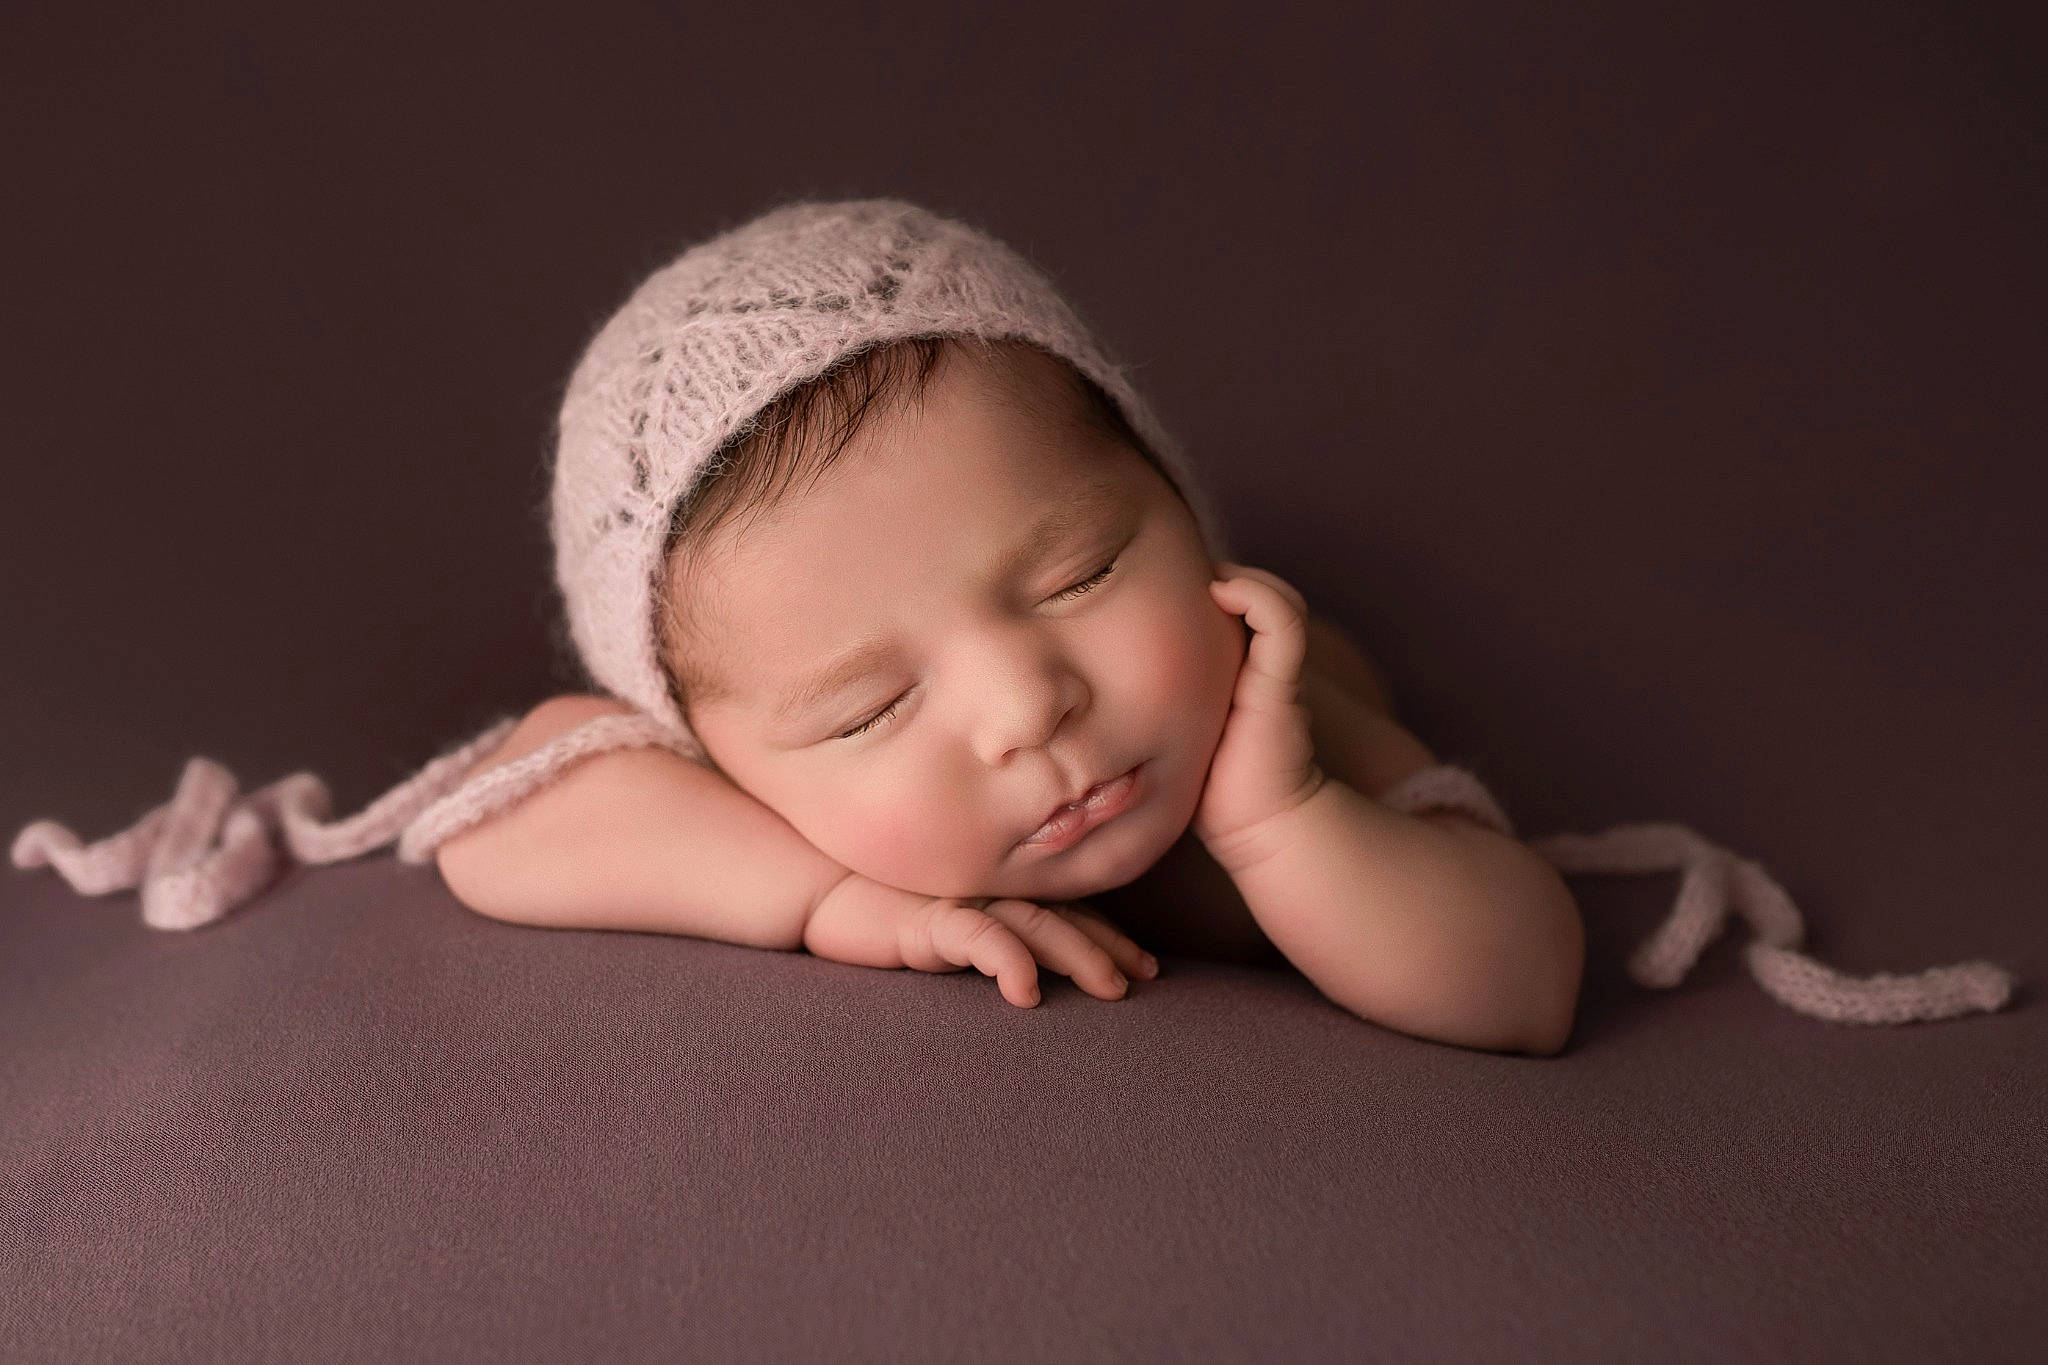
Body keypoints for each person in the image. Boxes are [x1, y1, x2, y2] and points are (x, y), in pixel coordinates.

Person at [13, 199, 2015, 1051]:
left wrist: (1288, 821)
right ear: (720, 741)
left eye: (1073, 575)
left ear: (1179, 509)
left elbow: (1521, 982)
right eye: (862, 702)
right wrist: (822, 898)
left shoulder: (1282, 708)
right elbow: (496, 823)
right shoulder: (729, 794)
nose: (1028, 705)